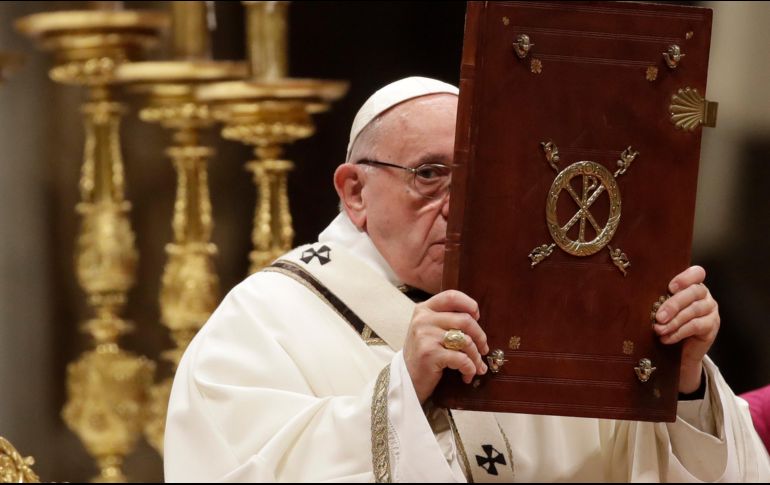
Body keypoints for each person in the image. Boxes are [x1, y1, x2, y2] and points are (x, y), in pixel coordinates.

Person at [164, 77, 770, 482]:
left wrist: (683, 382)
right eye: (430, 174)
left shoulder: (557, 313)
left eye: (480, 176)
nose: (461, 205)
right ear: (355, 191)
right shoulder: (265, 320)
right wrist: (404, 393)